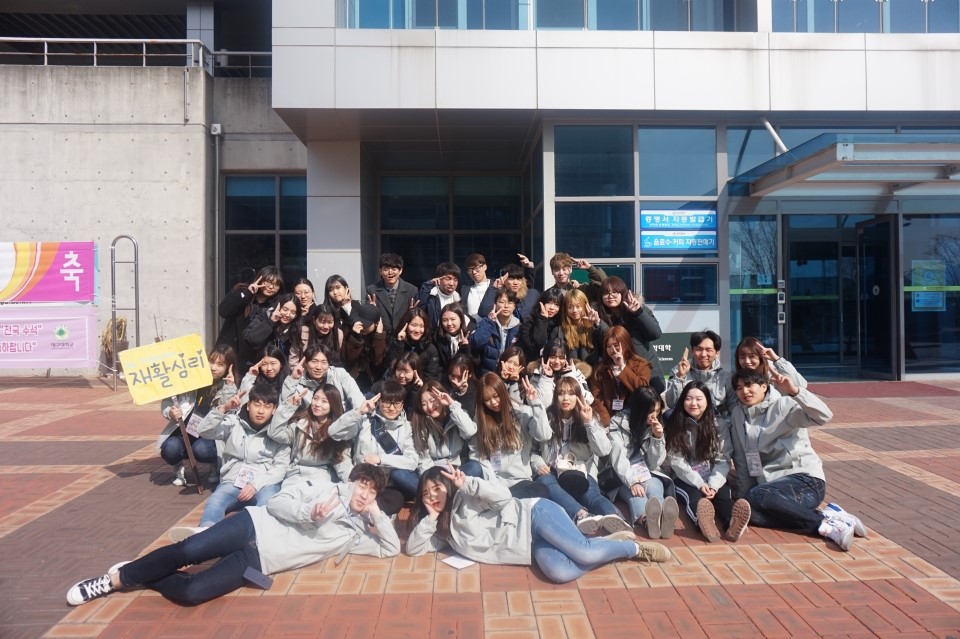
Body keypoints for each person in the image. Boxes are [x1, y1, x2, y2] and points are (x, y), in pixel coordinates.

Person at [66, 464, 399, 607]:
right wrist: (307, 514)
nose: (365, 494)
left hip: (259, 560)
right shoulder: (322, 487)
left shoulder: (353, 534)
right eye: (363, 485)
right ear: (352, 481)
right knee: (187, 551)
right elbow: (277, 502)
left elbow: (390, 548)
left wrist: (376, 515)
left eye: (372, 492)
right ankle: (115, 580)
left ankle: (144, 573)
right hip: (252, 525)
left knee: (193, 592)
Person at [405, 466, 670, 584]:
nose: (433, 496)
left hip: (535, 515)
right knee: (559, 573)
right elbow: (414, 549)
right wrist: (431, 518)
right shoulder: (443, 531)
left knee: (583, 553)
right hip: (529, 547)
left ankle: (634, 549)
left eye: (437, 488)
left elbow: (503, 496)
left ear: (448, 486)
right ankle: (603, 545)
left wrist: (469, 484)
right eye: (426, 493)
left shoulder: (466, 498)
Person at [729, 368, 865, 551]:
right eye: (739, 388)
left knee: (758, 495)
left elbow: (823, 416)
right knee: (751, 513)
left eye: (748, 385)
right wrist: (743, 496)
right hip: (772, 489)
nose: (744, 391)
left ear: (764, 386)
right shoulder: (738, 414)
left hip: (804, 481)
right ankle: (830, 515)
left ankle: (824, 526)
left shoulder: (783, 405)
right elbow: (742, 458)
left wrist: (795, 392)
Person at [172, 382, 291, 539]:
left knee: (267, 503)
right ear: (248, 405)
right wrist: (223, 409)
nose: (261, 411)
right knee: (216, 500)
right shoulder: (234, 422)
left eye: (267, 406)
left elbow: (280, 468)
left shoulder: (279, 433)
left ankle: (255, 537)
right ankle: (205, 532)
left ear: (274, 409)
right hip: (233, 480)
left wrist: (255, 485)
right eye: (257, 405)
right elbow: (203, 431)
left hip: (264, 483)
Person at [533, 377, 632, 535]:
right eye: (561, 393)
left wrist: (589, 423)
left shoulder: (588, 415)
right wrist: (538, 464)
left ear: (578, 396)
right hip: (552, 471)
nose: (566, 398)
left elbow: (604, 450)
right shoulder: (546, 417)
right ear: (555, 396)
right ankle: (581, 515)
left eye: (571, 393)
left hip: (582, 470)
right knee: (544, 482)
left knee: (591, 495)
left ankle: (616, 519)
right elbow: (532, 450)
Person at [664, 381, 750, 543]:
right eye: (688, 398)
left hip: (711, 474)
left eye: (699, 399)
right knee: (695, 498)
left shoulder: (719, 425)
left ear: (708, 402)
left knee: (723, 496)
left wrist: (714, 484)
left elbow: (723, 458)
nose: (693, 403)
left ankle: (731, 523)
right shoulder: (675, 424)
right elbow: (677, 461)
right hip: (684, 478)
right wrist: (698, 483)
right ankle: (703, 523)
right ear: (682, 401)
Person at [159, 345, 238, 486]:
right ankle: (177, 467)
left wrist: (230, 388)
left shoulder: (230, 387)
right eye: (211, 361)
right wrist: (170, 412)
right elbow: (167, 401)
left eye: (220, 364)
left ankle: (214, 464)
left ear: (229, 367)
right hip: (182, 432)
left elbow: (229, 413)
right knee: (169, 449)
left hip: (208, 436)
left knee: (202, 450)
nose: (213, 367)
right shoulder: (190, 379)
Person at [328, 380, 421, 500]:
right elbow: (334, 433)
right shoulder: (364, 420)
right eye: (387, 403)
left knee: (396, 493)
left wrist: (381, 459)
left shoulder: (406, 427)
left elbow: (412, 461)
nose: (392, 408)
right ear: (379, 402)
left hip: (389, 485)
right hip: (363, 480)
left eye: (397, 403)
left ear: (402, 404)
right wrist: (358, 412)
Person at [607, 387, 679, 539]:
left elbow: (653, 464)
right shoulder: (617, 423)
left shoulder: (656, 424)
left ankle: (662, 518)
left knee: (654, 487)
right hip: (622, 475)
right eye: (650, 411)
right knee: (637, 494)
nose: (654, 415)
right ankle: (647, 521)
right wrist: (633, 482)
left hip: (646, 470)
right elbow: (618, 457)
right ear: (639, 409)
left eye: (657, 411)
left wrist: (658, 438)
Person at [468, 373, 551, 499]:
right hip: (494, 483)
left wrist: (535, 403)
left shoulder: (523, 413)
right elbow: (476, 454)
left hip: (520, 481)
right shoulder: (481, 420)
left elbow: (544, 435)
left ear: (503, 392)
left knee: (541, 490)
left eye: (496, 396)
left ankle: (504, 500)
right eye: (487, 399)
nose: (493, 402)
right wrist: (491, 480)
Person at [268, 383, 352, 484]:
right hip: (296, 475)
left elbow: (342, 461)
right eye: (315, 398)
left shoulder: (338, 430)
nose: (317, 404)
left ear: (333, 405)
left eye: (324, 401)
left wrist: (354, 483)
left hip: (322, 477)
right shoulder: (300, 424)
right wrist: (289, 406)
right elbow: (275, 433)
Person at [596, 277, 665, 394]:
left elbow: (655, 334)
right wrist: (599, 324)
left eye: (615, 292)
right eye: (606, 293)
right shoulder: (599, 316)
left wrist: (638, 313)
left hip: (645, 372)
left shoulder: (636, 307)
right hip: (618, 375)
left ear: (622, 293)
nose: (610, 296)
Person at [409, 381, 482, 476]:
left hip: (457, 471)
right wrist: (434, 479)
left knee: (475, 467)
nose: (429, 407)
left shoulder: (456, 415)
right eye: (424, 404)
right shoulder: (420, 423)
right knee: (399, 474)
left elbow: (469, 432)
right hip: (433, 473)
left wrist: (452, 404)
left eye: (432, 400)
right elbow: (423, 460)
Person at [217, 266, 284, 367]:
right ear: (260, 279)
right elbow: (223, 311)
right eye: (268, 282)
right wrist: (247, 293)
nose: (271, 287)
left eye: (276, 284)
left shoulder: (276, 306)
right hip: (229, 351)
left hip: (254, 358)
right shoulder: (241, 290)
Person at [589, 326, 652, 427]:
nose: (613, 350)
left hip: (634, 420)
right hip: (610, 422)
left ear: (626, 344)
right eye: (608, 346)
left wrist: (622, 367)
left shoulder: (641, 365)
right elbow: (596, 399)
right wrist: (608, 423)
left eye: (616, 345)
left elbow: (643, 391)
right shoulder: (600, 370)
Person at [665, 329, 733, 415]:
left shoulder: (726, 377)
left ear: (717, 353)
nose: (703, 354)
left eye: (708, 350)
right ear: (692, 350)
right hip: (687, 420)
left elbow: (733, 409)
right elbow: (672, 404)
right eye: (699, 349)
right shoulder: (678, 370)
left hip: (716, 421)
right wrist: (680, 377)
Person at [281, 344, 365, 412]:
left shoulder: (340, 374)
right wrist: (292, 379)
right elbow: (284, 408)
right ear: (305, 363)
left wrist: (360, 415)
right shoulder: (297, 383)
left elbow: (358, 400)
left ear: (329, 364)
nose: (318, 367)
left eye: (324, 362)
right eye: (314, 361)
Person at [242, 293, 303, 367]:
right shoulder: (263, 315)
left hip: (280, 369)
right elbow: (251, 340)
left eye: (293, 312)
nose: (287, 314)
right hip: (257, 366)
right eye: (285, 309)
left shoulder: (295, 329)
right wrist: (271, 322)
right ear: (278, 306)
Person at [470, 288, 522, 376]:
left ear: (514, 306)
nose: (506, 306)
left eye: (510, 302)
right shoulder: (486, 323)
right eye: (501, 302)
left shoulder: (519, 328)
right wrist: (489, 322)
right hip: (488, 375)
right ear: (495, 305)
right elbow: (476, 343)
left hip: (509, 374)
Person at [366, 253, 419, 338]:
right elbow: (367, 319)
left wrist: (412, 313)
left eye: (394, 269)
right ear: (380, 271)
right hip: (381, 337)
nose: (390, 272)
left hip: (403, 337)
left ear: (400, 271)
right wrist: (370, 311)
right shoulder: (371, 290)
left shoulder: (412, 290)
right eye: (386, 269)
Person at [530, 338, 594, 405]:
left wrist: (569, 376)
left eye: (561, 358)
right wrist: (546, 378)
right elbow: (542, 405)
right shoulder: (536, 376)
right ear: (545, 357)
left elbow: (587, 400)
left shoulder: (575, 373)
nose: (557, 361)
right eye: (553, 357)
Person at [339, 304, 387, 393]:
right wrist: (355, 337)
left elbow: (377, 361)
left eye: (366, 325)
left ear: (376, 324)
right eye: (361, 322)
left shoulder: (382, 335)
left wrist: (379, 337)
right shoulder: (349, 330)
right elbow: (348, 358)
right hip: (353, 376)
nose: (363, 327)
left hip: (373, 380)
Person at [550, 288, 604, 366]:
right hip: (569, 371)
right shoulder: (559, 330)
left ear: (585, 306)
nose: (574, 310)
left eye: (578, 306)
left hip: (593, 370)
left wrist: (598, 322)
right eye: (570, 307)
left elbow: (607, 342)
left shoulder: (594, 327)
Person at [386, 306, 442, 382]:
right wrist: (399, 344)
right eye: (414, 325)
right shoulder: (396, 343)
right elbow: (391, 368)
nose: (417, 330)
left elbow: (431, 377)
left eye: (421, 326)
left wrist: (420, 384)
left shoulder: (430, 349)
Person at [734, 336, 807, 389]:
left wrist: (776, 359)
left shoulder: (775, 373)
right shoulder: (738, 379)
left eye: (752, 356)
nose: (747, 361)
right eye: (742, 357)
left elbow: (801, 385)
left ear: (760, 357)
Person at [520, 287, 565, 362]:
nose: (552, 308)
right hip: (532, 363)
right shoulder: (529, 320)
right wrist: (542, 319)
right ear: (542, 302)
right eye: (549, 303)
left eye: (556, 304)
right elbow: (536, 344)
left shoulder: (560, 324)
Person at [418, 261, 462, 330]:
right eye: (448, 279)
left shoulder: (459, 300)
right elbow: (419, 308)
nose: (452, 283)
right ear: (438, 279)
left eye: (455, 280)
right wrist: (428, 285)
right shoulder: (430, 297)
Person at [435, 302, 473, 371]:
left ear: (461, 320)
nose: (449, 323)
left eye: (453, 319)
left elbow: (474, 363)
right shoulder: (437, 338)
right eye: (445, 320)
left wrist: (465, 347)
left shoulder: (471, 334)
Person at [444, 352, 477, 420]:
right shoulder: (443, 383)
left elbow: (468, 417)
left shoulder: (475, 391)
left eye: (460, 377)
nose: (455, 380)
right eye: (452, 375)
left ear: (469, 375)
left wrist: (463, 393)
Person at [460, 253, 490, 321]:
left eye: (476, 268)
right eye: (470, 270)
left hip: (492, 326)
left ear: (485, 267)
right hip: (471, 326)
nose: (474, 272)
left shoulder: (496, 287)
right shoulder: (465, 289)